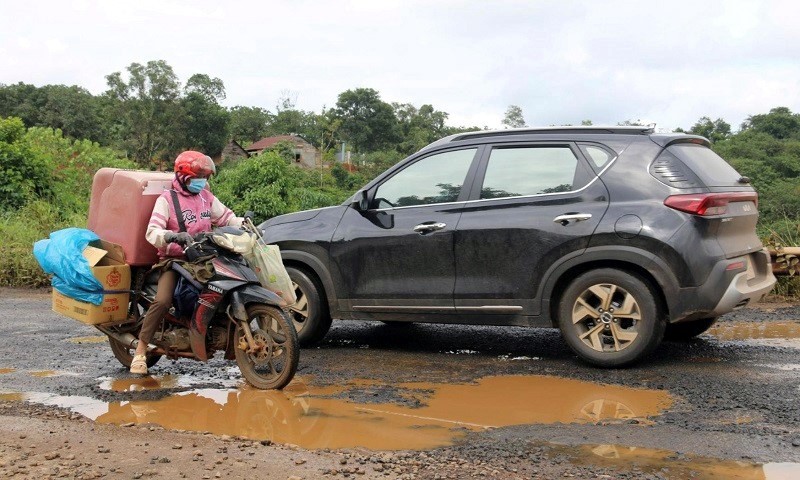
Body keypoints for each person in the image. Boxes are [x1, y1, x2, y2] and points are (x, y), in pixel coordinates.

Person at [130, 150, 244, 374]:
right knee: (163, 301)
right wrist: (173, 236)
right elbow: (152, 233)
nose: (202, 182)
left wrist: (245, 223)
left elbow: (226, 217)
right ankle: (140, 351)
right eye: (197, 178)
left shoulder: (206, 197)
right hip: (175, 261)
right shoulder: (167, 200)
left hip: (203, 258)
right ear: (183, 177)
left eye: (205, 178)